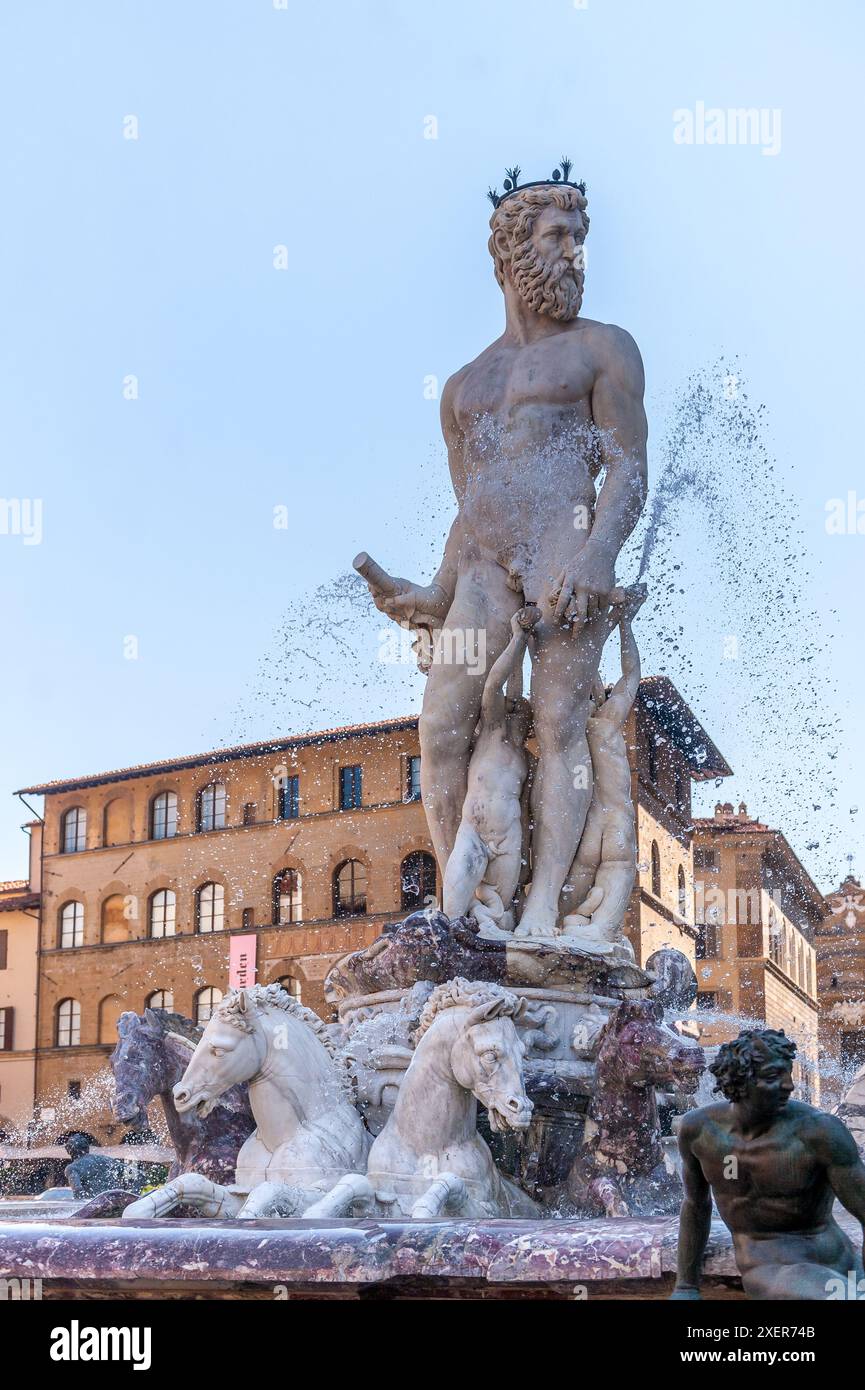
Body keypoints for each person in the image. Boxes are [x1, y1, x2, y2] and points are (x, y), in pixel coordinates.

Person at [359, 170, 647, 938]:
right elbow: (471, 502)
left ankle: (545, 906)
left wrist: (596, 556)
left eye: (580, 239)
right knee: (441, 724)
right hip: (482, 570)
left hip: (566, 548)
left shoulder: (603, 348)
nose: (575, 254)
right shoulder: (462, 386)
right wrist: (434, 587)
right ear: (511, 253)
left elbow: (627, 465)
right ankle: (469, 910)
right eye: (558, 237)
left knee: (557, 725)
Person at [672, 1029, 865, 1300]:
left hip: (846, 1266)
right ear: (740, 1081)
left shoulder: (819, 1131)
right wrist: (686, 1287)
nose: (789, 1085)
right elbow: (695, 1206)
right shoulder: (699, 1131)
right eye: (774, 1076)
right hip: (778, 1269)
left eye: (788, 1073)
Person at [442, 606, 539, 932]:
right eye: (517, 708)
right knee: (453, 907)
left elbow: (527, 808)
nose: (520, 712)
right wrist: (519, 639)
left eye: (524, 713)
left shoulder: (525, 759)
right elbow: (498, 685)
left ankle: (489, 948)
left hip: (508, 839)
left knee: (501, 914)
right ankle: (449, 948)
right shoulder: (493, 731)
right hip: (475, 833)